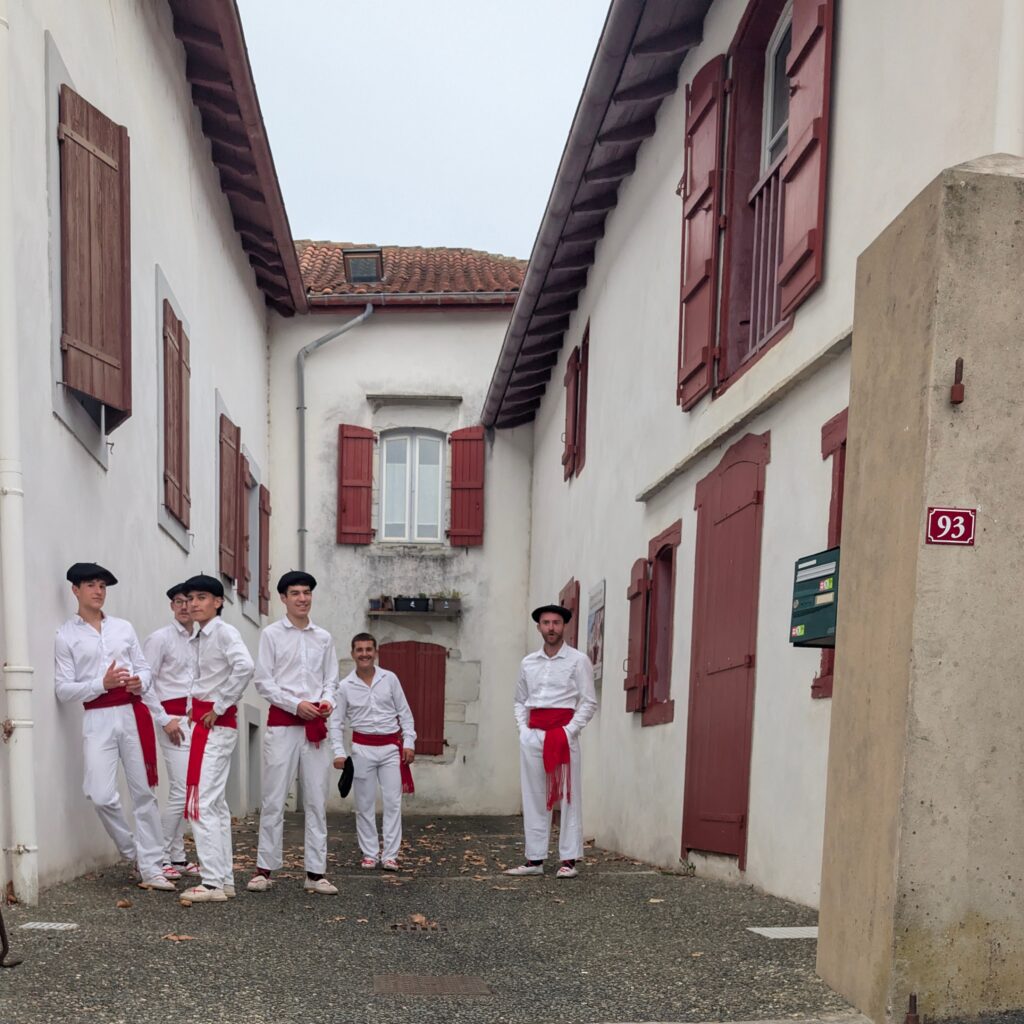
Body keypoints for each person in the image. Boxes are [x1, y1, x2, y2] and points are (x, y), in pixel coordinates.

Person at [54, 562, 175, 892]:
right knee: (100, 793)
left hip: (132, 713)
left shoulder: (123, 627)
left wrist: (140, 681)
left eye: (102, 586)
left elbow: (145, 670)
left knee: (143, 793)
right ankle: (133, 852)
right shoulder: (66, 635)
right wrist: (101, 683)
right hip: (98, 716)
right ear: (75, 590)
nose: (98, 591)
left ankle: (151, 868)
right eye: (91, 585)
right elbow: (63, 689)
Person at [248, 570, 339, 896]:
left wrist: (326, 700)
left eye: (306, 592)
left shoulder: (324, 638)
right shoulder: (272, 635)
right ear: (283, 599)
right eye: (295, 593)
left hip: (315, 726)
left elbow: (331, 679)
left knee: (316, 798)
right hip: (283, 724)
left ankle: (315, 873)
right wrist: (294, 703)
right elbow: (264, 680)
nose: (302, 598)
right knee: (274, 798)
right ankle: (264, 870)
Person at [505, 604, 597, 879]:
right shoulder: (528, 662)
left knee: (568, 795)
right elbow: (520, 700)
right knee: (533, 795)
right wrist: (523, 729)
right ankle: (535, 859)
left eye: (556, 622)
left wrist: (570, 731)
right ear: (539, 627)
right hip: (533, 734)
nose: (551, 628)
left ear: (564, 626)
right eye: (546, 623)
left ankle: (568, 859)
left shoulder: (578, 660)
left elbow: (589, 701)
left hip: (562, 733)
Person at [177, 574, 253, 904]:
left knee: (204, 802)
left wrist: (219, 706)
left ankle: (210, 883)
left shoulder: (223, 632)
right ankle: (224, 878)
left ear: (218, 602)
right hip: (206, 722)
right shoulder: (200, 637)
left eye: (202, 597)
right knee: (217, 804)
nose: (193, 603)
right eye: (190, 598)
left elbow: (245, 666)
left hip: (217, 725)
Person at [329, 633, 415, 871]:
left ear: (376, 652)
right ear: (353, 653)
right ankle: (369, 853)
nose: (364, 654)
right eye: (359, 650)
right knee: (364, 804)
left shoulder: (390, 679)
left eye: (369, 649)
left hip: (390, 749)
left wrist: (409, 742)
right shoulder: (345, 686)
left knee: (392, 802)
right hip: (362, 750)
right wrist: (338, 752)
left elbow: (405, 713)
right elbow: (336, 722)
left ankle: (390, 855)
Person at [142, 583, 200, 881]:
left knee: (188, 788)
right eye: (178, 601)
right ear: (172, 606)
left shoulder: (202, 639)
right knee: (181, 790)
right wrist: (164, 719)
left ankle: (177, 856)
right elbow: (145, 682)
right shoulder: (160, 639)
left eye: (189, 601)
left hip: (194, 720)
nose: (185, 607)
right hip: (171, 720)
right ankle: (160, 855)